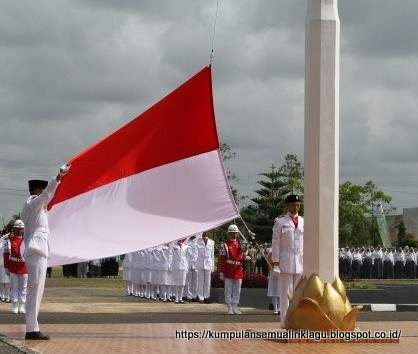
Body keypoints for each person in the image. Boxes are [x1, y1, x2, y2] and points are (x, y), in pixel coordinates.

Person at [21, 164, 69, 340]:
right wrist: (58, 178)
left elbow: (47, 199)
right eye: (41, 189)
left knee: (37, 291)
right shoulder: (32, 203)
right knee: (34, 291)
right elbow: (47, 195)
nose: (44, 193)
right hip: (35, 252)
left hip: (38, 252)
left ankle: (32, 327)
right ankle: (31, 329)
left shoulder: (38, 208)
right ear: (37, 190)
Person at [271, 194, 303, 325]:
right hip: (285, 261)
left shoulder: (303, 221)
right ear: (287, 205)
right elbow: (275, 242)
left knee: (298, 294)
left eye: (297, 204)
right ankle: (285, 321)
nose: (295, 207)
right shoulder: (280, 222)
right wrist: (276, 262)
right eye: (292, 204)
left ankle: (297, 320)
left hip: (300, 262)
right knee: (285, 293)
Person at [219, 224, 245, 315]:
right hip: (228, 270)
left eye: (235, 233)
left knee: (237, 289)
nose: (233, 234)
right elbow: (222, 259)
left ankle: (235, 306)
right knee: (228, 289)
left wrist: (246, 257)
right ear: (228, 234)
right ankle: (229, 306)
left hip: (238, 270)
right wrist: (221, 271)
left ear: (237, 233)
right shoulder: (224, 245)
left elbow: (242, 257)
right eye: (231, 233)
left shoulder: (241, 244)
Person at [3, 219, 28, 314]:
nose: (19, 230)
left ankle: (22, 305)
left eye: (21, 228)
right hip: (13, 268)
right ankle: (15, 305)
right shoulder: (9, 240)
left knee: (23, 288)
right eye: (17, 228)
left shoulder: (27, 240)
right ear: (14, 229)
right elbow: (5, 254)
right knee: (14, 287)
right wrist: (6, 267)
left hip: (24, 268)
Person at [195, 232, 215, 303]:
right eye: (203, 234)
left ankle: (206, 296)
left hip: (208, 264)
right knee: (200, 281)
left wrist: (213, 266)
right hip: (200, 263)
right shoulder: (198, 242)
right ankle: (200, 297)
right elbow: (196, 254)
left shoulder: (212, 242)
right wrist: (195, 264)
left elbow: (212, 255)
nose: (204, 234)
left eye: (206, 233)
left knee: (207, 281)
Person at [171, 239, 189, 303]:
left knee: (182, 283)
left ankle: (180, 298)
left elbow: (187, 258)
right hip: (176, 266)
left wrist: (187, 267)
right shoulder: (173, 246)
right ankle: (176, 298)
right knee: (176, 283)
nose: (181, 240)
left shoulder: (186, 246)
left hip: (183, 266)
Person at [266, 249, 280, 315]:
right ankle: (275, 309)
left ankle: (280, 308)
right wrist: (272, 265)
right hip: (273, 272)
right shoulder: (271, 251)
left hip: (281, 272)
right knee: (273, 292)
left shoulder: (282, 250)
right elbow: (268, 261)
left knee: (280, 292)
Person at [0, 234, 11, 303]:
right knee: (1, 282)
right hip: (1, 265)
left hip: (8, 265)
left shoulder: (10, 243)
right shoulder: (1, 244)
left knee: (8, 282)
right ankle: (2, 296)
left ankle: (8, 296)